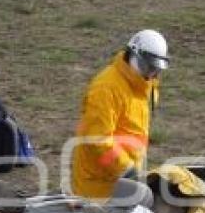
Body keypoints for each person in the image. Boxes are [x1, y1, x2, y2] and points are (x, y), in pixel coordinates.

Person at [71, 29, 169, 200]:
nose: (151, 74)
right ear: (133, 55)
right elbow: (98, 140)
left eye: (155, 69)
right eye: (148, 67)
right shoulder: (106, 89)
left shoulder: (144, 86)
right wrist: (127, 170)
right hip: (98, 188)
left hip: (124, 180)